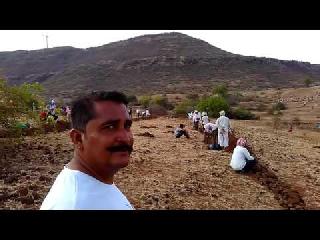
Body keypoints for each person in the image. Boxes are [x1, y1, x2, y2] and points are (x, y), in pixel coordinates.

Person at [40, 91, 134, 210]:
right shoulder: (72, 205)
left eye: (127, 126)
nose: (125, 138)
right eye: (110, 127)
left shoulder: (98, 181)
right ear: (78, 138)